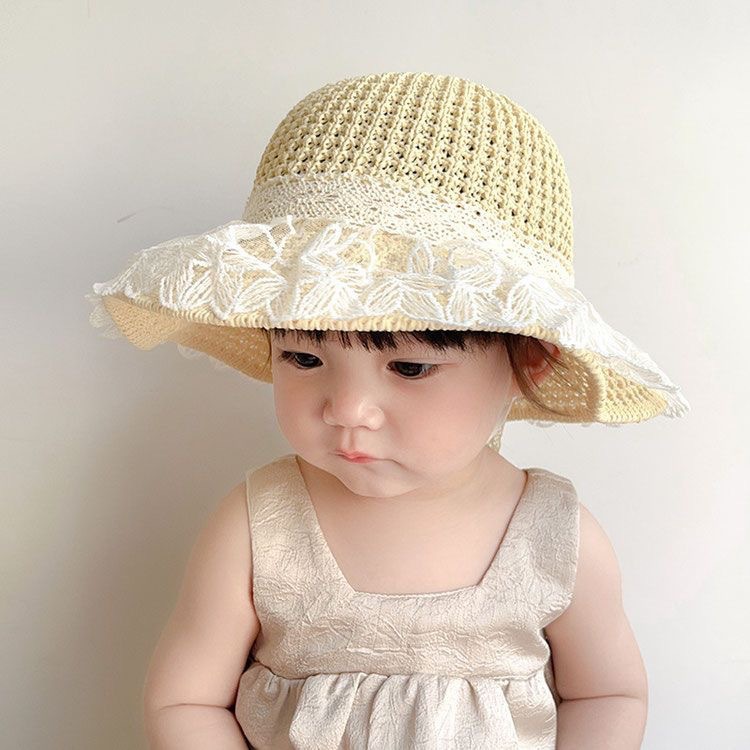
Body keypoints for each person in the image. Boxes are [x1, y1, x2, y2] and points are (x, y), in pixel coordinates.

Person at [86, 71, 690, 749]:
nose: (347, 411)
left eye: (409, 367)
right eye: (303, 358)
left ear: (531, 360)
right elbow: (187, 700)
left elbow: (607, 692)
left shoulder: (554, 537)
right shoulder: (261, 525)